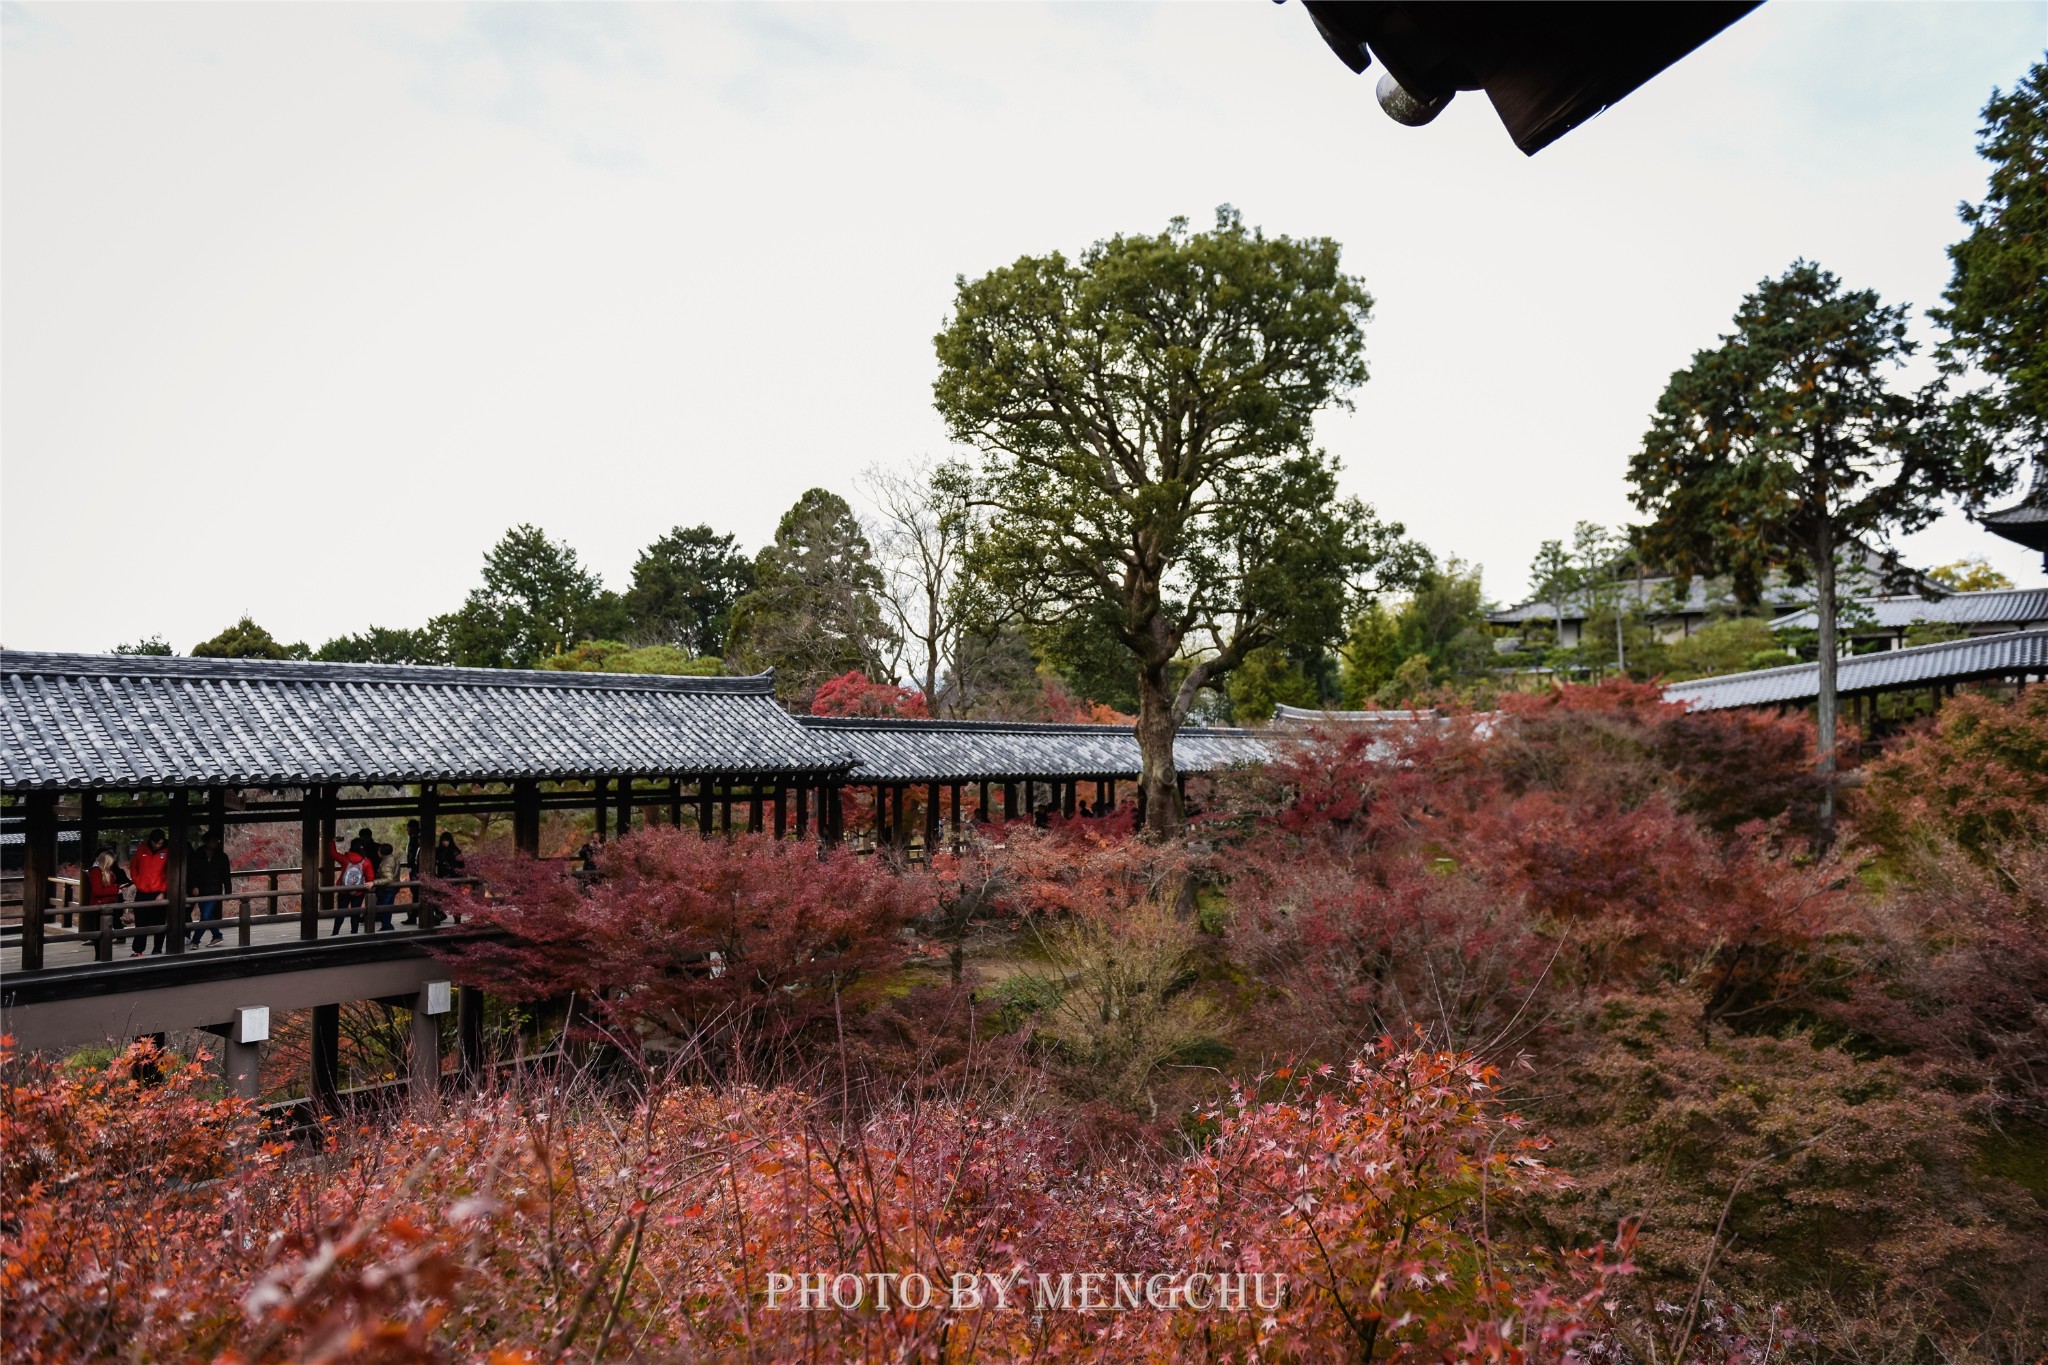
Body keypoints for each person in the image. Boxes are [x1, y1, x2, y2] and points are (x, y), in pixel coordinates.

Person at [187, 831, 233, 946]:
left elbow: (226, 875)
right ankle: (217, 935)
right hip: (201, 890)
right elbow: (191, 873)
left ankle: (195, 941)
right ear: (206, 842)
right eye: (213, 841)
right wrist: (193, 886)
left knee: (206, 916)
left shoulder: (221, 857)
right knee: (207, 916)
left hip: (214, 890)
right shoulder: (197, 855)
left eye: (216, 841)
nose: (215, 843)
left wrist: (228, 891)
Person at [128, 829, 170, 956]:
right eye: (155, 843)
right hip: (142, 891)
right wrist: (137, 880)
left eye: (160, 843)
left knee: (159, 922)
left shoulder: (168, 851)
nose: (158, 845)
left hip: (159, 892)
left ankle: (157, 949)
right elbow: (133, 866)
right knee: (141, 923)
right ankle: (138, 950)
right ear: (151, 841)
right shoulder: (142, 850)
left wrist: (163, 891)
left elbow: (170, 874)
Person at [332, 836, 372, 936]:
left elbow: (332, 853)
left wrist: (333, 842)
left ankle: (335, 933)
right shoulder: (366, 862)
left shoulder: (345, 859)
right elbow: (370, 878)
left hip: (343, 890)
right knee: (356, 912)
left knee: (341, 912)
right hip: (358, 891)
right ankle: (354, 933)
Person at [82, 848, 125, 940]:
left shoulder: (107, 871)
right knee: (100, 932)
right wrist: (116, 889)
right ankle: (99, 952)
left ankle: (119, 938)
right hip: (100, 905)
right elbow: (97, 891)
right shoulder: (96, 871)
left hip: (108, 904)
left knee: (106, 931)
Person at [371, 840, 397, 931]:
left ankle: (387, 926)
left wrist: (374, 882)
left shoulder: (386, 864)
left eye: (378, 850)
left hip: (387, 888)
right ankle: (386, 925)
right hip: (392, 887)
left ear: (381, 852)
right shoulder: (393, 858)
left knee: (383, 907)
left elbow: (388, 879)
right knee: (387, 907)